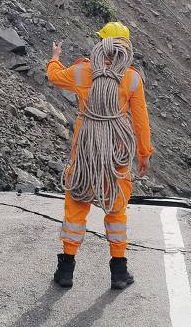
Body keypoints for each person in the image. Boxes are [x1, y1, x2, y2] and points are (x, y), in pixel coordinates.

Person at [46, 21, 154, 290]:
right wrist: (144, 153)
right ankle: (118, 272)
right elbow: (141, 121)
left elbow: (55, 78)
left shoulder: (83, 71)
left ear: (102, 43)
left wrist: (55, 58)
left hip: (85, 153)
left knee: (76, 204)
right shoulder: (131, 78)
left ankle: (66, 271)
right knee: (116, 210)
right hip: (114, 155)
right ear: (125, 47)